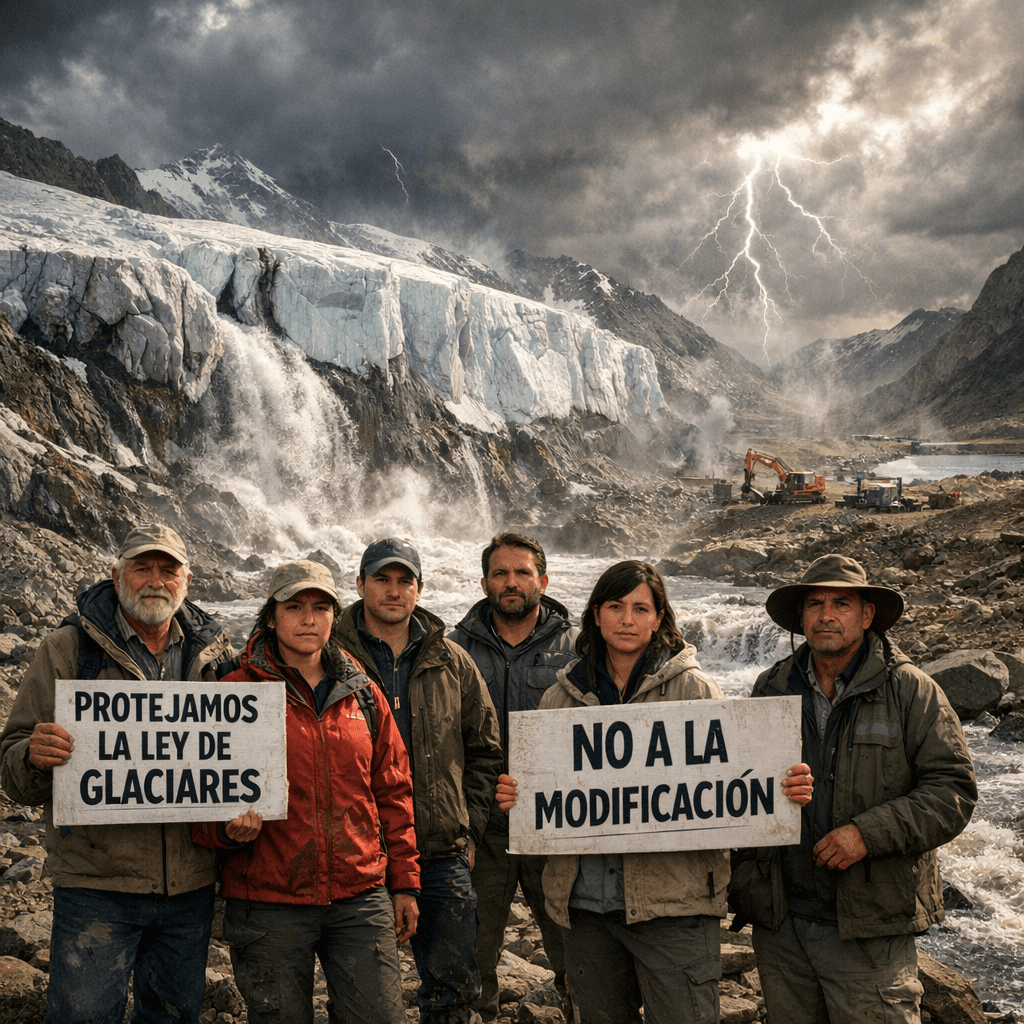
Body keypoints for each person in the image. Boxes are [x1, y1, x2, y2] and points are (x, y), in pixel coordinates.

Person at [496, 560, 812, 1024]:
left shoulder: (696, 689)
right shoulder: (559, 698)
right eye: (616, 606)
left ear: (659, 618)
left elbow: (734, 783)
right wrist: (517, 797)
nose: (628, 619)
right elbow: (546, 794)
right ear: (596, 615)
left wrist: (781, 786)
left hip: (675, 910)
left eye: (641, 608)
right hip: (586, 909)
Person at [0, 523, 236, 1024]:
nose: (155, 580)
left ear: (186, 582)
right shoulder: (66, 648)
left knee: (173, 1017)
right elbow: (13, 771)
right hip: (96, 884)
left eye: (167, 570)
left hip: (189, 890)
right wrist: (32, 755)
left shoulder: (215, 655)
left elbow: (240, 758)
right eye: (141, 567)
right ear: (116, 575)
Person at [729, 553, 978, 1024]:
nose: (826, 615)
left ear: (866, 616)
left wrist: (868, 833)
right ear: (800, 616)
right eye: (815, 603)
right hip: (782, 925)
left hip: (869, 929)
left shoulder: (912, 691)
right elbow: (737, 786)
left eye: (841, 603)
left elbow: (954, 791)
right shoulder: (770, 686)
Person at [192, 558, 419, 1024]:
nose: (308, 618)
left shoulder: (364, 694)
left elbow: (393, 791)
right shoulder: (233, 692)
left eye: (321, 607)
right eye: (294, 606)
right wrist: (224, 830)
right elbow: (196, 793)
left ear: (335, 616)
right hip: (269, 902)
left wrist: (405, 884)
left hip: (360, 896)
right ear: (271, 615)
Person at [335, 538, 503, 1024]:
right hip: (355, 852)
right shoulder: (330, 656)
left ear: (420, 588)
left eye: (404, 580)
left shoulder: (451, 660)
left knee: (452, 988)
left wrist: (468, 825)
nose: (393, 591)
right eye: (382, 579)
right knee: (362, 996)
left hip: (439, 851)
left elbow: (485, 750)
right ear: (360, 584)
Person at [449, 532, 577, 1020]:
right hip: (482, 829)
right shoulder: (454, 648)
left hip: (558, 828)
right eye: (500, 573)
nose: (511, 582)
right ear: (484, 583)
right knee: (470, 955)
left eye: (523, 572)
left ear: (543, 581)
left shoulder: (580, 646)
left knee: (577, 953)